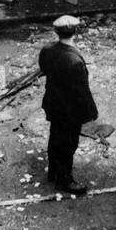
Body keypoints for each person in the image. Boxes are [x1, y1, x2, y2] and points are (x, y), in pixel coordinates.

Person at [37, 14, 96, 195]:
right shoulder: (75, 61)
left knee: (55, 137)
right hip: (69, 111)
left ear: (56, 32)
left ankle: (53, 171)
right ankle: (64, 180)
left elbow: (44, 68)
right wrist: (90, 112)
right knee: (68, 144)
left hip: (53, 103)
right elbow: (81, 92)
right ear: (75, 32)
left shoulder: (47, 50)